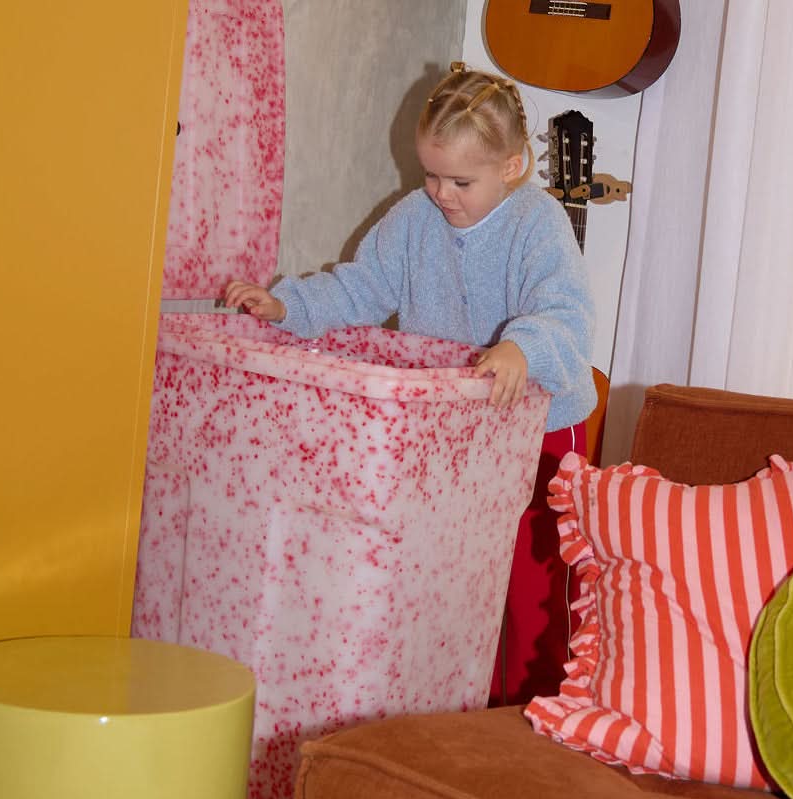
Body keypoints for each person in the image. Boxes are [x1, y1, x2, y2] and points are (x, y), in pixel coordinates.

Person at [226, 61, 596, 701]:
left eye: (460, 180)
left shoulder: (537, 223)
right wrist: (290, 306)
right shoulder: (414, 219)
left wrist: (521, 347)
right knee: (448, 577)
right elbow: (361, 285)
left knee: (536, 591)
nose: (442, 193)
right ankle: (446, 702)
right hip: (451, 431)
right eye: (431, 175)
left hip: (542, 435)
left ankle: (539, 710)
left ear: (511, 168)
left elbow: (566, 313)